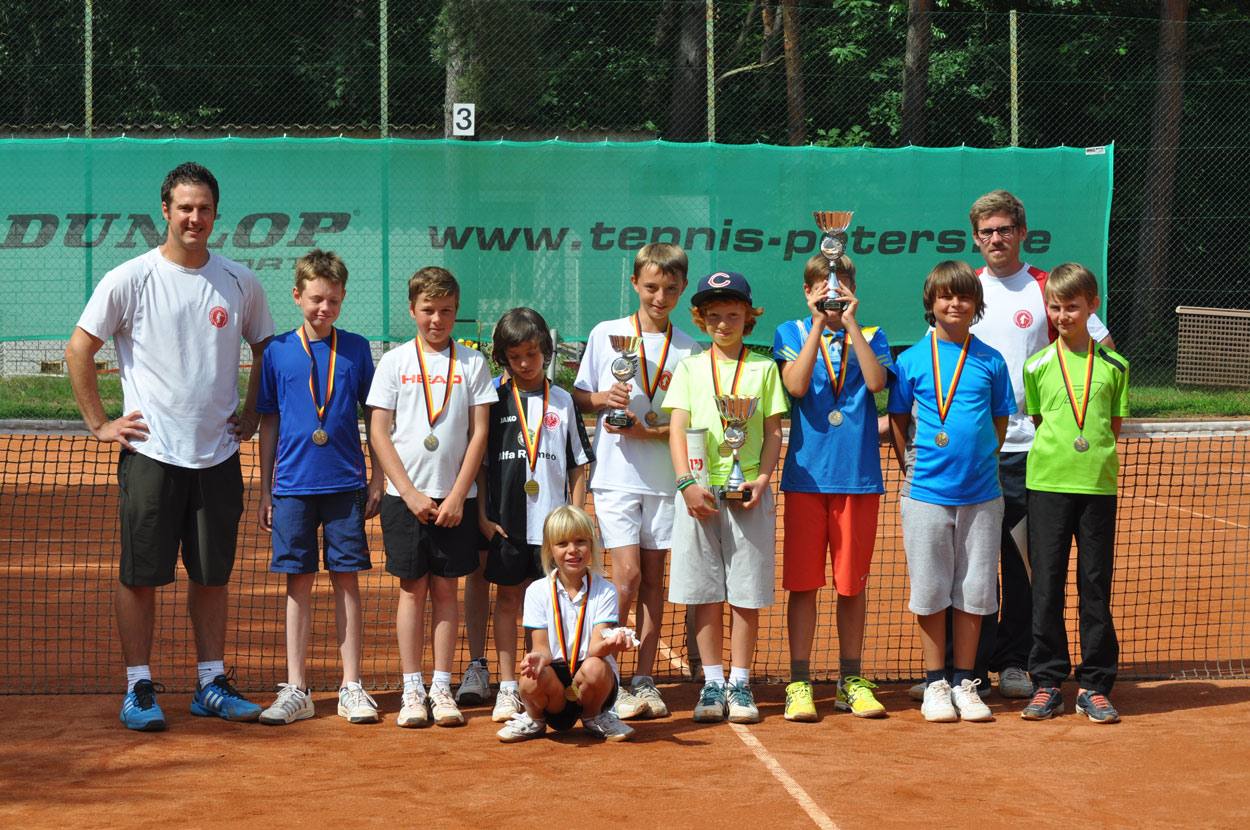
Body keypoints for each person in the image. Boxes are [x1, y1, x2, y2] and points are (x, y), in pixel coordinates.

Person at [65, 161, 274, 730]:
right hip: (151, 456)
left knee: (212, 576)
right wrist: (99, 424)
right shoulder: (129, 278)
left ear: (216, 214)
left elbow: (266, 348)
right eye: (185, 207)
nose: (194, 218)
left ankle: (211, 683)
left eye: (204, 208)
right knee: (140, 576)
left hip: (219, 457)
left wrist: (252, 412)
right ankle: (138, 687)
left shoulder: (240, 281)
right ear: (165, 211)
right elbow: (79, 350)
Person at [254, 249, 384, 726]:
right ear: (297, 296)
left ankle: (351, 685)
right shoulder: (277, 351)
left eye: (332, 300)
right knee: (299, 582)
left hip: (346, 485)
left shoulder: (357, 349)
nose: (323, 308)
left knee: (346, 581)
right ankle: (297, 688)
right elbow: (269, 421)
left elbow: (376, 417)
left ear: (343, 298)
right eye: (315, 299)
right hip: (291, 486)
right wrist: (265, 490)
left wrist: (378, 476)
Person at [572, 243, 701, 720]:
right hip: (615, 477)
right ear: (634, 284)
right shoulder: (605, 334)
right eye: (650, 287)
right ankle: (609, 676)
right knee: (625, 576)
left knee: (653, 579)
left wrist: (652, 431)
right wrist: (605, 399)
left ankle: (644, 680)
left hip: (666, 481)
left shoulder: (690, 349)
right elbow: (579, 396)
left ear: (682, 289)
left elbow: (691, 422)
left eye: (670, 289)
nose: (659, 297)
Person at [367, 266, 495, 727]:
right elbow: (378, 433)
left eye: (445, 311)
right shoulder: (394, 362)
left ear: (456, 312)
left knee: (445, 590)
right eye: (428, 310)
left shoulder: (473, 363)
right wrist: (407, 492)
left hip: (455, 500)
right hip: (406, 500)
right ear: (412, 310)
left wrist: (459, 495)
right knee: (411, 590)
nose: (436, 320)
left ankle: (441, 687)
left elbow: (479, 433)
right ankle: (411, 689)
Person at [888, 261, 1014, 723]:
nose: (954, 303)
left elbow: (998, 423)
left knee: (974, 592)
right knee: (930, 591)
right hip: (925, 494)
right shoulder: (909, 360)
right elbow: (899, 421)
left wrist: (976, 461)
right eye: (945, 296)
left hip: (982, 495)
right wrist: (911, 468)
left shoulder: (991, 361)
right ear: (931, 303)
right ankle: (935, 683)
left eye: (964, 296)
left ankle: (965, 682)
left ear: (976, 304)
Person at [772, 253, 893, 721]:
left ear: (853, 288)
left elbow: (877, 383)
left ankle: (850, 681)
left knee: (851, 585)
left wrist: (852, 324)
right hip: (806, 478)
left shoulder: (873, 335)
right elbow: (796, 386)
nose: (832, 294)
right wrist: (820, 325)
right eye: (823, 287)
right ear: (808, 292)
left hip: (857, 480)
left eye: (841, 286)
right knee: (803, 585)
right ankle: (799, 681)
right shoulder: (791, 332)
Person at [664, 271, 787, 725]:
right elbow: (677, 429)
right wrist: (686, 483)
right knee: (704, 590)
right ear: (700, 318)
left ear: (748, 316)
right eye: (713, 315)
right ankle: (713, 682)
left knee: (746, 591)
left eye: (733, 315)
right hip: (698, 491)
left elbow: (773, 433)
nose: (723, 324)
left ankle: (740, 682)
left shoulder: (764, 368)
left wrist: (763, 479)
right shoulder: (690, 367)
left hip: (748, 490)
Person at [1020, 263, 1129, 723]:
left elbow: (1112, 426)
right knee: (1046, 586)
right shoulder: (1036, 365)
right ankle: (1047, 682)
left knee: (1094, 586)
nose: (1063, 316)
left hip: (1097, 487)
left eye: (1072, 307)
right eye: (1055, 307)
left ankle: (1094, 685)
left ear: (1092, 307)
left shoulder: (1116, 366)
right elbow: (1040, 420)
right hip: (1047, 486)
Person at [477, 307, 594, 724]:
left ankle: (544, 680)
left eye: (532, 354)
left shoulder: (562, 400)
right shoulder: (492, 399)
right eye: (515, 357)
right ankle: (509, 687)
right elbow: (481, 465)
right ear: (503, 358)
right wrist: (483, 516)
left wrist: (575, 516)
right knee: (508, 600)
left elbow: (578, 464)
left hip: (552, 533)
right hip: (506, 525)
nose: (525, 363)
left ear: (546, 349)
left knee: (547, 608)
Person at [496, 505, 638, 743]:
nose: (573, 550)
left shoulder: (606, 591)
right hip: (553, 678)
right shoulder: (537, 591)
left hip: (590, 678)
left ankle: (594, 717)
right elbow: (541, 648)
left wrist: (612, 644)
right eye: (562, 543)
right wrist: (538, 657)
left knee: (596, 667)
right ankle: (535, 719)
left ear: (591, 545)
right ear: (550, 550)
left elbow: (596, 648)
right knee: (530, 678)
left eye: (580, 541)